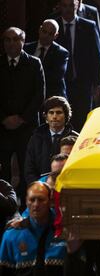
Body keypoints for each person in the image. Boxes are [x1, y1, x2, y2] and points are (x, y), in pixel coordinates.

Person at [0, 27, 45, 201]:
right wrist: (4, 118)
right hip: (3, 126)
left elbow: (39, 95)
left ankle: (29, 205)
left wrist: (21, 118)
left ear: (23, 41)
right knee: (3, 169)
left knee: (28, 167)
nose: (11, 43)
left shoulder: (34, 63)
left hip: (27, 126)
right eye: (7, 40)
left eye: (15, 39)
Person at [55, 0, 100, 132]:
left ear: (77, 6)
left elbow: (97, 55)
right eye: (64, 6)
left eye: (71, 5)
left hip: (83, 82)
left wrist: (99, 83)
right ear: (60, 6)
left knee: (83, 120)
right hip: (61, 83)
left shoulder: (88, 26)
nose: (68, 9)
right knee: (62, 120)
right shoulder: (54, 25)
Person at [0, 181, 67, 275]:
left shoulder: (64, 233)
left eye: (41, 199)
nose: (36, 204)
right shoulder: (11, 235)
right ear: (26, 202)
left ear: (50, 202)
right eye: (32, 200)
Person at [25, 96, 78, 184]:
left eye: (59, 112)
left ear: (66, 116)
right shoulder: (36, 138)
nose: (54, 116)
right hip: (40, 187)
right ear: (45, 117)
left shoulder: (76, 138)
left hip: (67, 186)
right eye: (51, 113)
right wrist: (38, 186)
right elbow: (29, 169)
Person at [24, 19, 69, 99]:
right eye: (44, 32)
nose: (46, 36)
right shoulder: (27, 48)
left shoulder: (61, 53)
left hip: (51, 96)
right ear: (40, 30)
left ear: (56, 36)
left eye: (51, 34)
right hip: (29, 95)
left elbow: (55, 78)